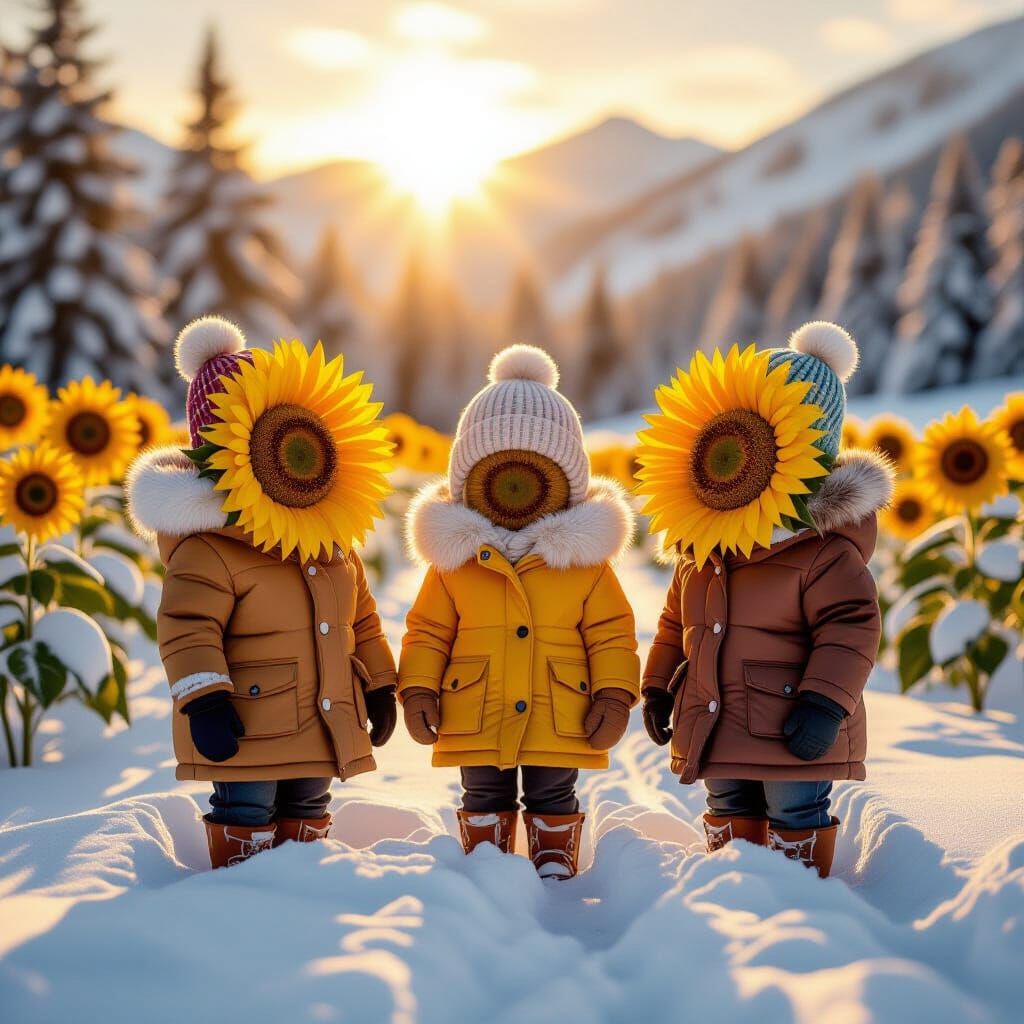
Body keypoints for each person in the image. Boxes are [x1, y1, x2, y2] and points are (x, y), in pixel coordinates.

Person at [127, 316, 397, 868]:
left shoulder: (327, 541)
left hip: (323, 721)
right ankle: (241, 910)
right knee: (246, 814)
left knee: (309, 807)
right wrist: (203, 696)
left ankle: (303, 896)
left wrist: (379, 685)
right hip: (246, 726)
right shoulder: (210, 547)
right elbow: (187, 625)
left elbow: (361, 618)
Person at [639, 322, 892, 878]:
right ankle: (734, 889)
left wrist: (825, 703)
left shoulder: (823, 551)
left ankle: (797, 899)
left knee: (794, 808)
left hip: (793, 722)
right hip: (716, 716)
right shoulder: (701, 546)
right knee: (728, 805)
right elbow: (673, 622)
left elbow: (851, 627)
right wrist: (658, 684)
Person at [399, 345, 640, 879]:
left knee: (554, 789)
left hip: (561, 709)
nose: (515, 489)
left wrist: (615, 693)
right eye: (497, 473)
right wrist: (416, 687)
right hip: (475, 704)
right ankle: (485, 861)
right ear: (466, 481)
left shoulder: (583, 560)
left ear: (569, 482)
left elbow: (612, 633)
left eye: (535, 472)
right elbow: (429, 631)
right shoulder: (454, 561)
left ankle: (554, 859)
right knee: (482, 787)